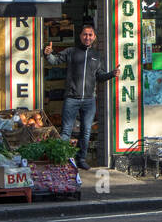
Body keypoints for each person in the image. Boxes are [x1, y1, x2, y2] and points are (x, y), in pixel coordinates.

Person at [42, 22, 118, 169]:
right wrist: (48, 53)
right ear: (80, 36)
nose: (87, 37)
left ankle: (81, 159)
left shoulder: (96, 56)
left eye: (90, 35)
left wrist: (111, 74)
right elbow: (55, 60)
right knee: (66, 131)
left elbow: (99, 76)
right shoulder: (71, 51)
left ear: (94, 37)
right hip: (71, 98)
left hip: (89, 100)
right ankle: (62, 159)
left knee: (86, 131)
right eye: (85, 34)